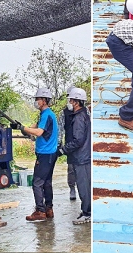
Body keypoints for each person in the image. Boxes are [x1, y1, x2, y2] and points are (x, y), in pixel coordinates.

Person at [16, 88, 58, 221]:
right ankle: (48, 208)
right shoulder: (46, 115)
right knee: (46, 182)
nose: (36, 102)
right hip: (50, 153)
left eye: (37, 99)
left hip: (45, 154)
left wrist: (22, 128)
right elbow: (33, 128)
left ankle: (40, 210)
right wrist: (22, 128)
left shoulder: (46, 114)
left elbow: (39, 132)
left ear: (44, 100)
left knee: (37, 183)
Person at [59, 88, 91, 225]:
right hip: (82, 156)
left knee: (83, 186)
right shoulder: (84, 114)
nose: (69, 102)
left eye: (71, 100)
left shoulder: (78, 118)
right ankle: (86, 210)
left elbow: (78, 140)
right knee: (85, 185)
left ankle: (88, 213)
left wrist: (63, 150)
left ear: (77, 102)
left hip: (81, 157)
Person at [57, 86, 76, 201]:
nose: (70, 102)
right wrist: (59, 145)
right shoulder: (63, 113)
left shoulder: (85, 111)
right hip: (70, 145)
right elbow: (60, 130)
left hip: (83, 145)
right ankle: (72, 188)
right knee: (71, 168)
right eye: (69, 99)